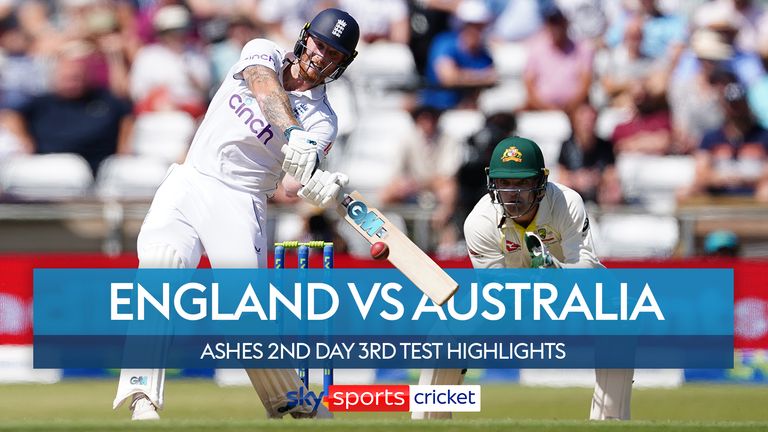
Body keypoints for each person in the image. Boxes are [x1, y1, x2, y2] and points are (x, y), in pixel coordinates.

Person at [112, 8, 359, 421]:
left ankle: (293, 400)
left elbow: (293, 185)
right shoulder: (262, 52)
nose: (322, 55)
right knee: (159, 270)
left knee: (244, 313)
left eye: (334, 52)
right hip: (191, 179)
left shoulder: (324, 119)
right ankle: (142, 398)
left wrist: (317, 184)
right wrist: (293, 133)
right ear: (304, 38)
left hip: (240, 200)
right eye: (319, 43)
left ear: (342, 63)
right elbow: (264, 88)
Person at [414, 136, 634, 421]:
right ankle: (429, 423)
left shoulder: (567, 202)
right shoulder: (479, 221)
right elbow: (495, 293)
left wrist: (555, 273)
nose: (513, 193)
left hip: (572, 288)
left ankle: (611, 421)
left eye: (521, 183)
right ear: (492, 183)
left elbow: (587, 267)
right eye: (504, 183)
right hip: (510, 295)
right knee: (442, 336)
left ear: (541, 183)